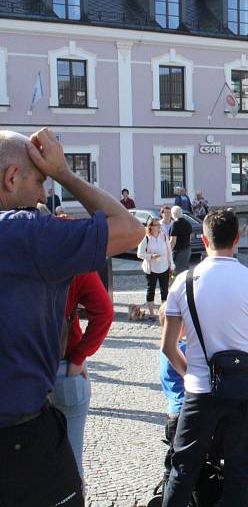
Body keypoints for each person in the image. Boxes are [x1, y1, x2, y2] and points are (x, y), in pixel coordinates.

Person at [0, 128, 142, 506]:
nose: (44, 193)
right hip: (20, 441)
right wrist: (64, 171)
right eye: (41, 180)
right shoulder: (24, 233)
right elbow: (130, 230)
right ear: (12, 178)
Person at [161, 209, 248, 507]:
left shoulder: (183, 282)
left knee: (183, 469)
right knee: (239, 473)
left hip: (200, 389)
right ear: (238, 238)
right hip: (245, 388)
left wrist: (191, 372)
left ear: (203, 239)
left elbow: (168, 346)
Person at [53, 270, 114, 481]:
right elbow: (104, 312)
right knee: (71, 460)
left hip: (17, 373)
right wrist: (79, 357)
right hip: (63, 368)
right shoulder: (73, 256)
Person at [158, 303, 186, 486]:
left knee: (175, 458)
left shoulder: (164, 349)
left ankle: (167, 488)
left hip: (173, 411)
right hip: (184, 411)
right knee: (182, 462)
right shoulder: (181, 350)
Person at [138, 216, 173, 319]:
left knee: (165, 290)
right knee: (151, 290)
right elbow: (139, 254)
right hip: (151, 268)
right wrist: (151, 256)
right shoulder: (146, 238)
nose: (159, 226)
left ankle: (164, 313)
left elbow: (169, 251)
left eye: (159, 225)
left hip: (164, 266)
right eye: (157, 225)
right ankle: (152, 313)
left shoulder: (163, 236)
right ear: (151, 227)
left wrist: (171, 264)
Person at [169, 206, 192, 275]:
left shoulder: (175, 224)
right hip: (187, 249)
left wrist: (168, 250)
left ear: (172, 214)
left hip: (178, 251)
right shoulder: (188, 223)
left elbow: (173, 240)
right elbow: (189, 238)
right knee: (185, 271)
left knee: (177, 273)